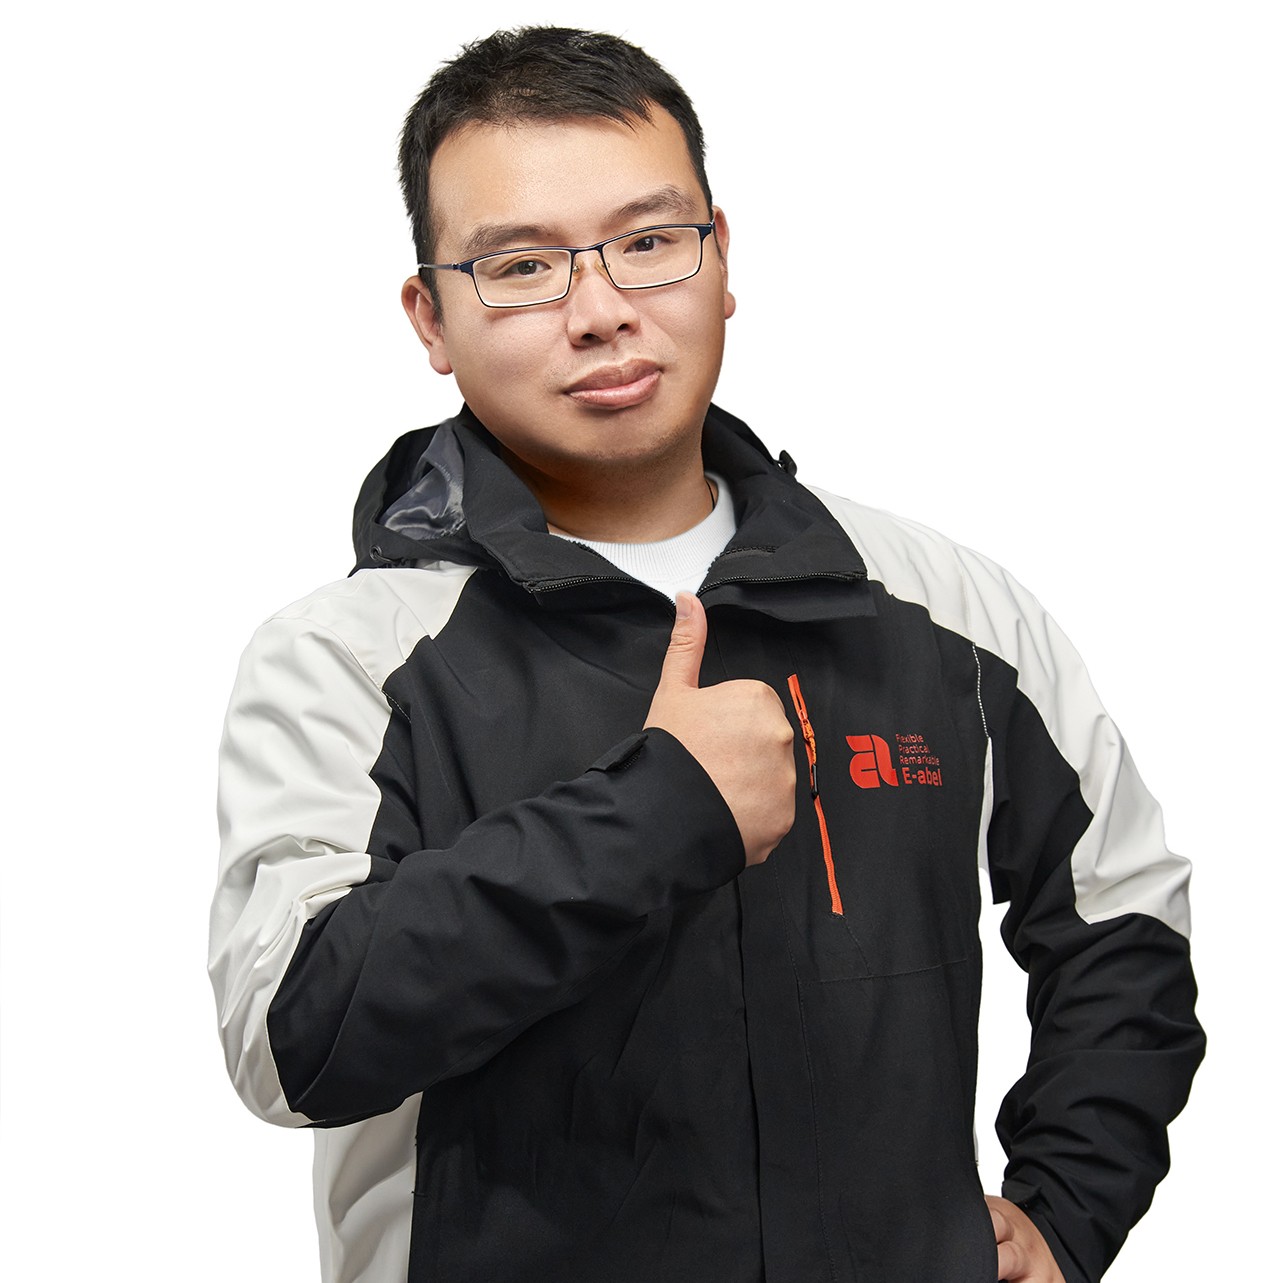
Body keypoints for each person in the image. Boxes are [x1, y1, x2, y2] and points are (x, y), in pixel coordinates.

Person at [209, 26, 1203, 1283]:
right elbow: (294, 1037)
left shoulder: (942, 607)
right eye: (522, 266)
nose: (600, 311)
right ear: (433, 316)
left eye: (647, 242)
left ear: (719, 255)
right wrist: (654, 812)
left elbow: (1121, 915)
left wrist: (1066, 1203)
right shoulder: (350, 658)